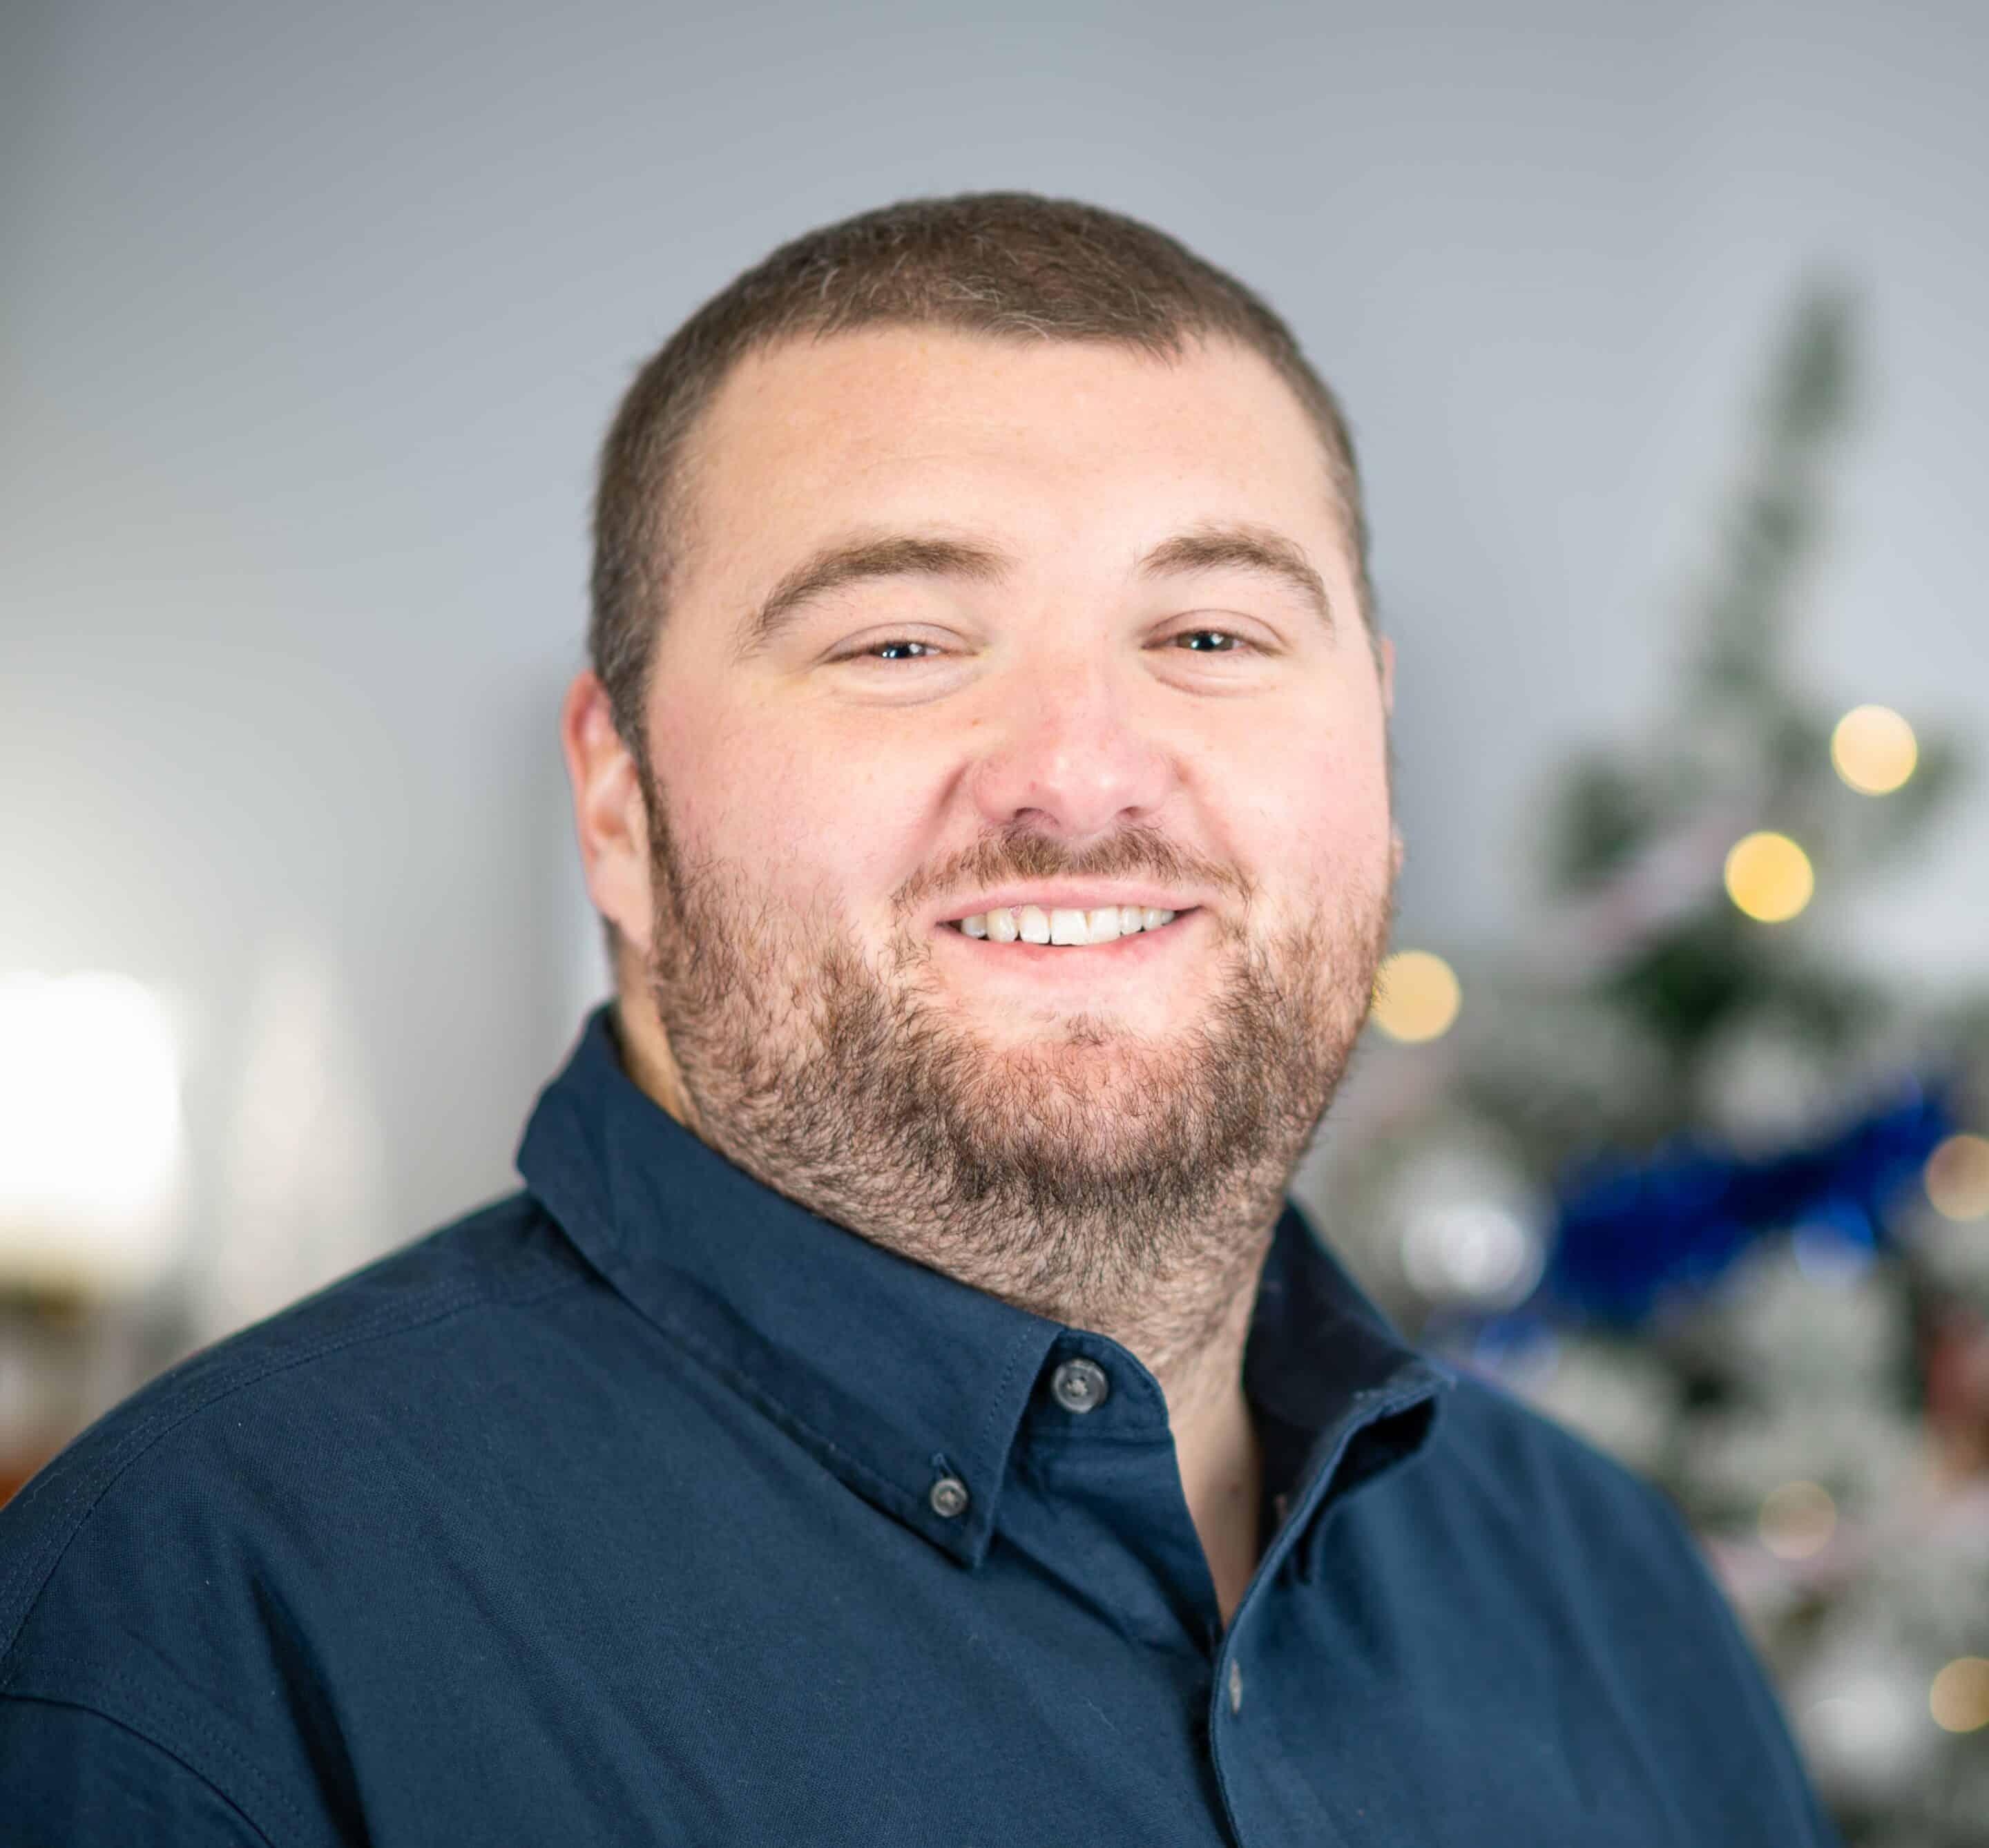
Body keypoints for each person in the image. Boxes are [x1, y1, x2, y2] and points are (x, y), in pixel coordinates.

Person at [0, 191, 1841, 1845]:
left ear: (1375, 740)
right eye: (899, 641)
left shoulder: (1612, 1591)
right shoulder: (196, 1632)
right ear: (620, 803)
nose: (1080, 775)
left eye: (1209, 635)